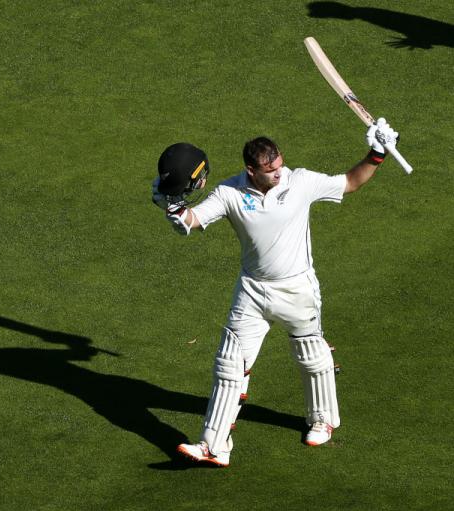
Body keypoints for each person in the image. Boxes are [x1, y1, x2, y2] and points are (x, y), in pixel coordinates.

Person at [152, 118, 400, 467]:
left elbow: (349, 183)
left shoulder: (300, 181)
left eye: (280, 165)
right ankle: (213, 446)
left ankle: (322, 420)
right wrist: (171, 206)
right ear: (250, 170)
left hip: (297, 288)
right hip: (251, 291)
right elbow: (191, 222)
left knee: (310, 356)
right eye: (270, 171)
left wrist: (377, 153)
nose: (278, 174)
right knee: (229, 364)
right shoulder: (230, 193)